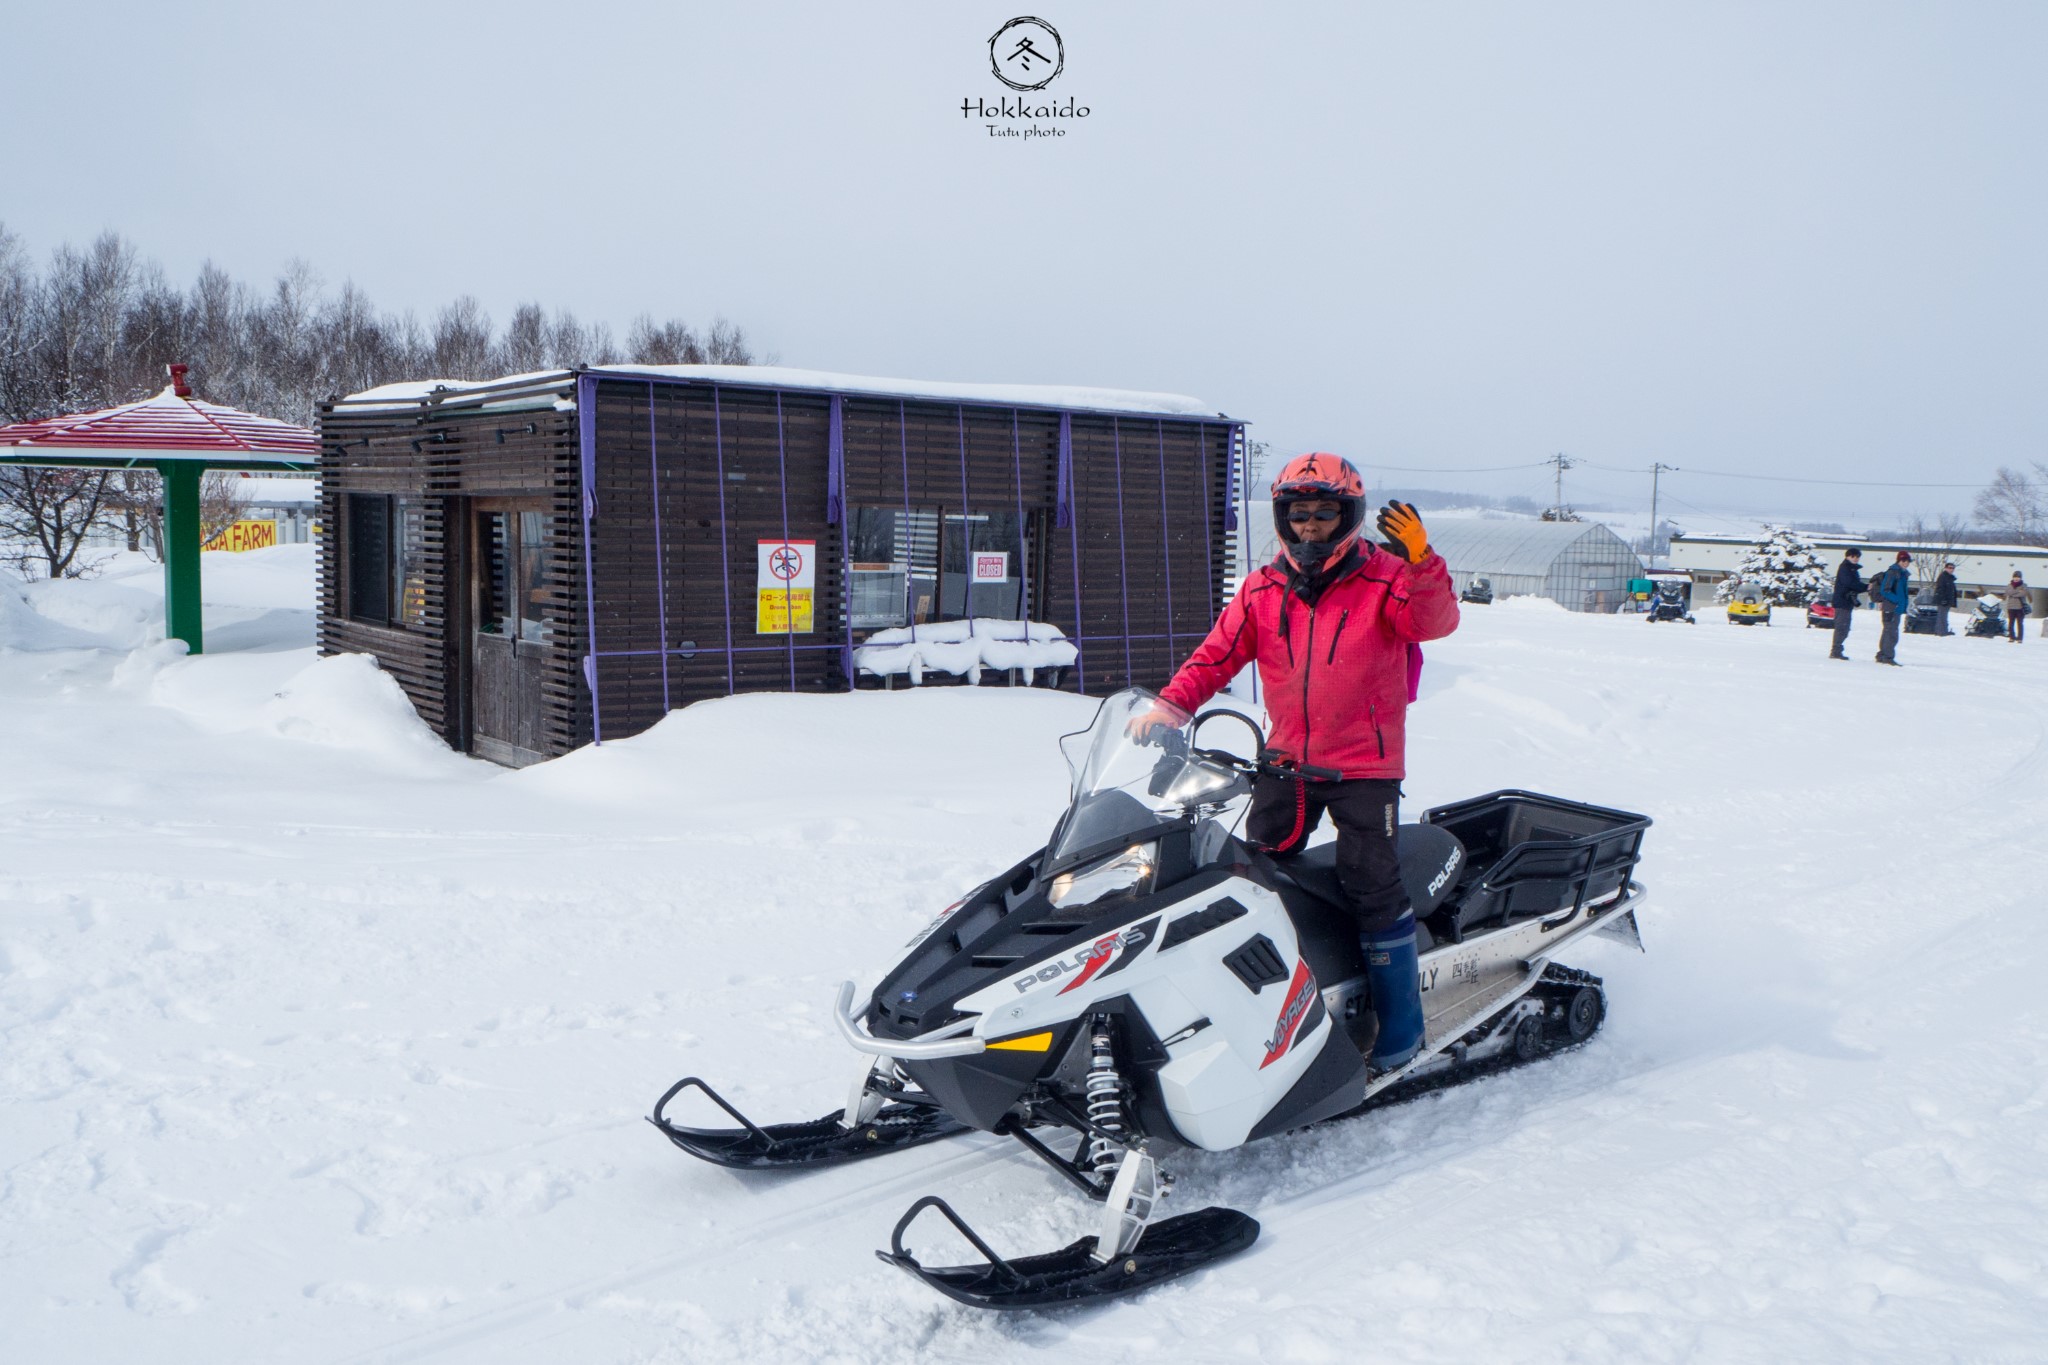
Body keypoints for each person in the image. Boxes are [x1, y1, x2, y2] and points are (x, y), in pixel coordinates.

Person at [1140, 453, 1460, 1072]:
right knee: (1254, 879)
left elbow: (1435, 620)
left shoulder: (1388, 578)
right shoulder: (1263, 588)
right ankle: (1274, 1001)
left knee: (1373, 886)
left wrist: (1423, 560)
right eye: (1297, 513)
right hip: (1286, 764)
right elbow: (1216, 656)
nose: (1310, 525)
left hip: (1365, 767)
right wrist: (1170, 705)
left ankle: (1401, 1025)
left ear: (1349, 516)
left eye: (1323, 512)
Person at [1872, 550, 1912, 665]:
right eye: (1903, 560)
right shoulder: (1893, 572)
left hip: (1896, 608)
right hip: (1891, 607)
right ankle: (1888, 656)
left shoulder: (1902, 574)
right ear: (1898, 560)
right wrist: (1897, 601)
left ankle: (1882, 654)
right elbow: (1885, 590)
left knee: (1888, 631)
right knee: (1891, 632)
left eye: (1907, 561)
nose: (1905, 563)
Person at [1828, 548, 1865, 660]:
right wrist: (1865, 587)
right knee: (1842, 627)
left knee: (1845, 627)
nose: (1855, 559)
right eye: (1852, 556)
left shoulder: (1852, 569)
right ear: (1847, 556)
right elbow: (1850, 583)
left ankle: (1837, 649)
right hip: (1842, 602)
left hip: (1846, 602)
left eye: (1857, 557)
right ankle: (1836, 650)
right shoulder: (1845, 568)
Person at [2004, 572, 2031, 643]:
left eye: (2018, 577)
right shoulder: (2009, 585)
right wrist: (2017, 591)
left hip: (2020, 607)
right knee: (2011, 623)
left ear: (2020, 578)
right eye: (2015, 577)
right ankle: (2011, 637)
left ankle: (2020, 638)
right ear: (2013, 577)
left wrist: (2013, 594)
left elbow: (2023, 593)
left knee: (2020, 623)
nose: (2016, 578)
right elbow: (2008, 593)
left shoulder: (2024, 585)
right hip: (2011, 607)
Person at [1933, 562, 1958, 636]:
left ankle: (1944, 630)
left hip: (1948, 601)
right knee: (1942, 616)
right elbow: (1940, 589)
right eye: (1950, 568)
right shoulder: (1943, 577)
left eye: (1953, 568)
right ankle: (1941, 632)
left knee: (1944, 616)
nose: (1951, 569)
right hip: (1942, 601)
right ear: (1946, 568)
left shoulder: (1950, 578)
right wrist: (1943, 599)